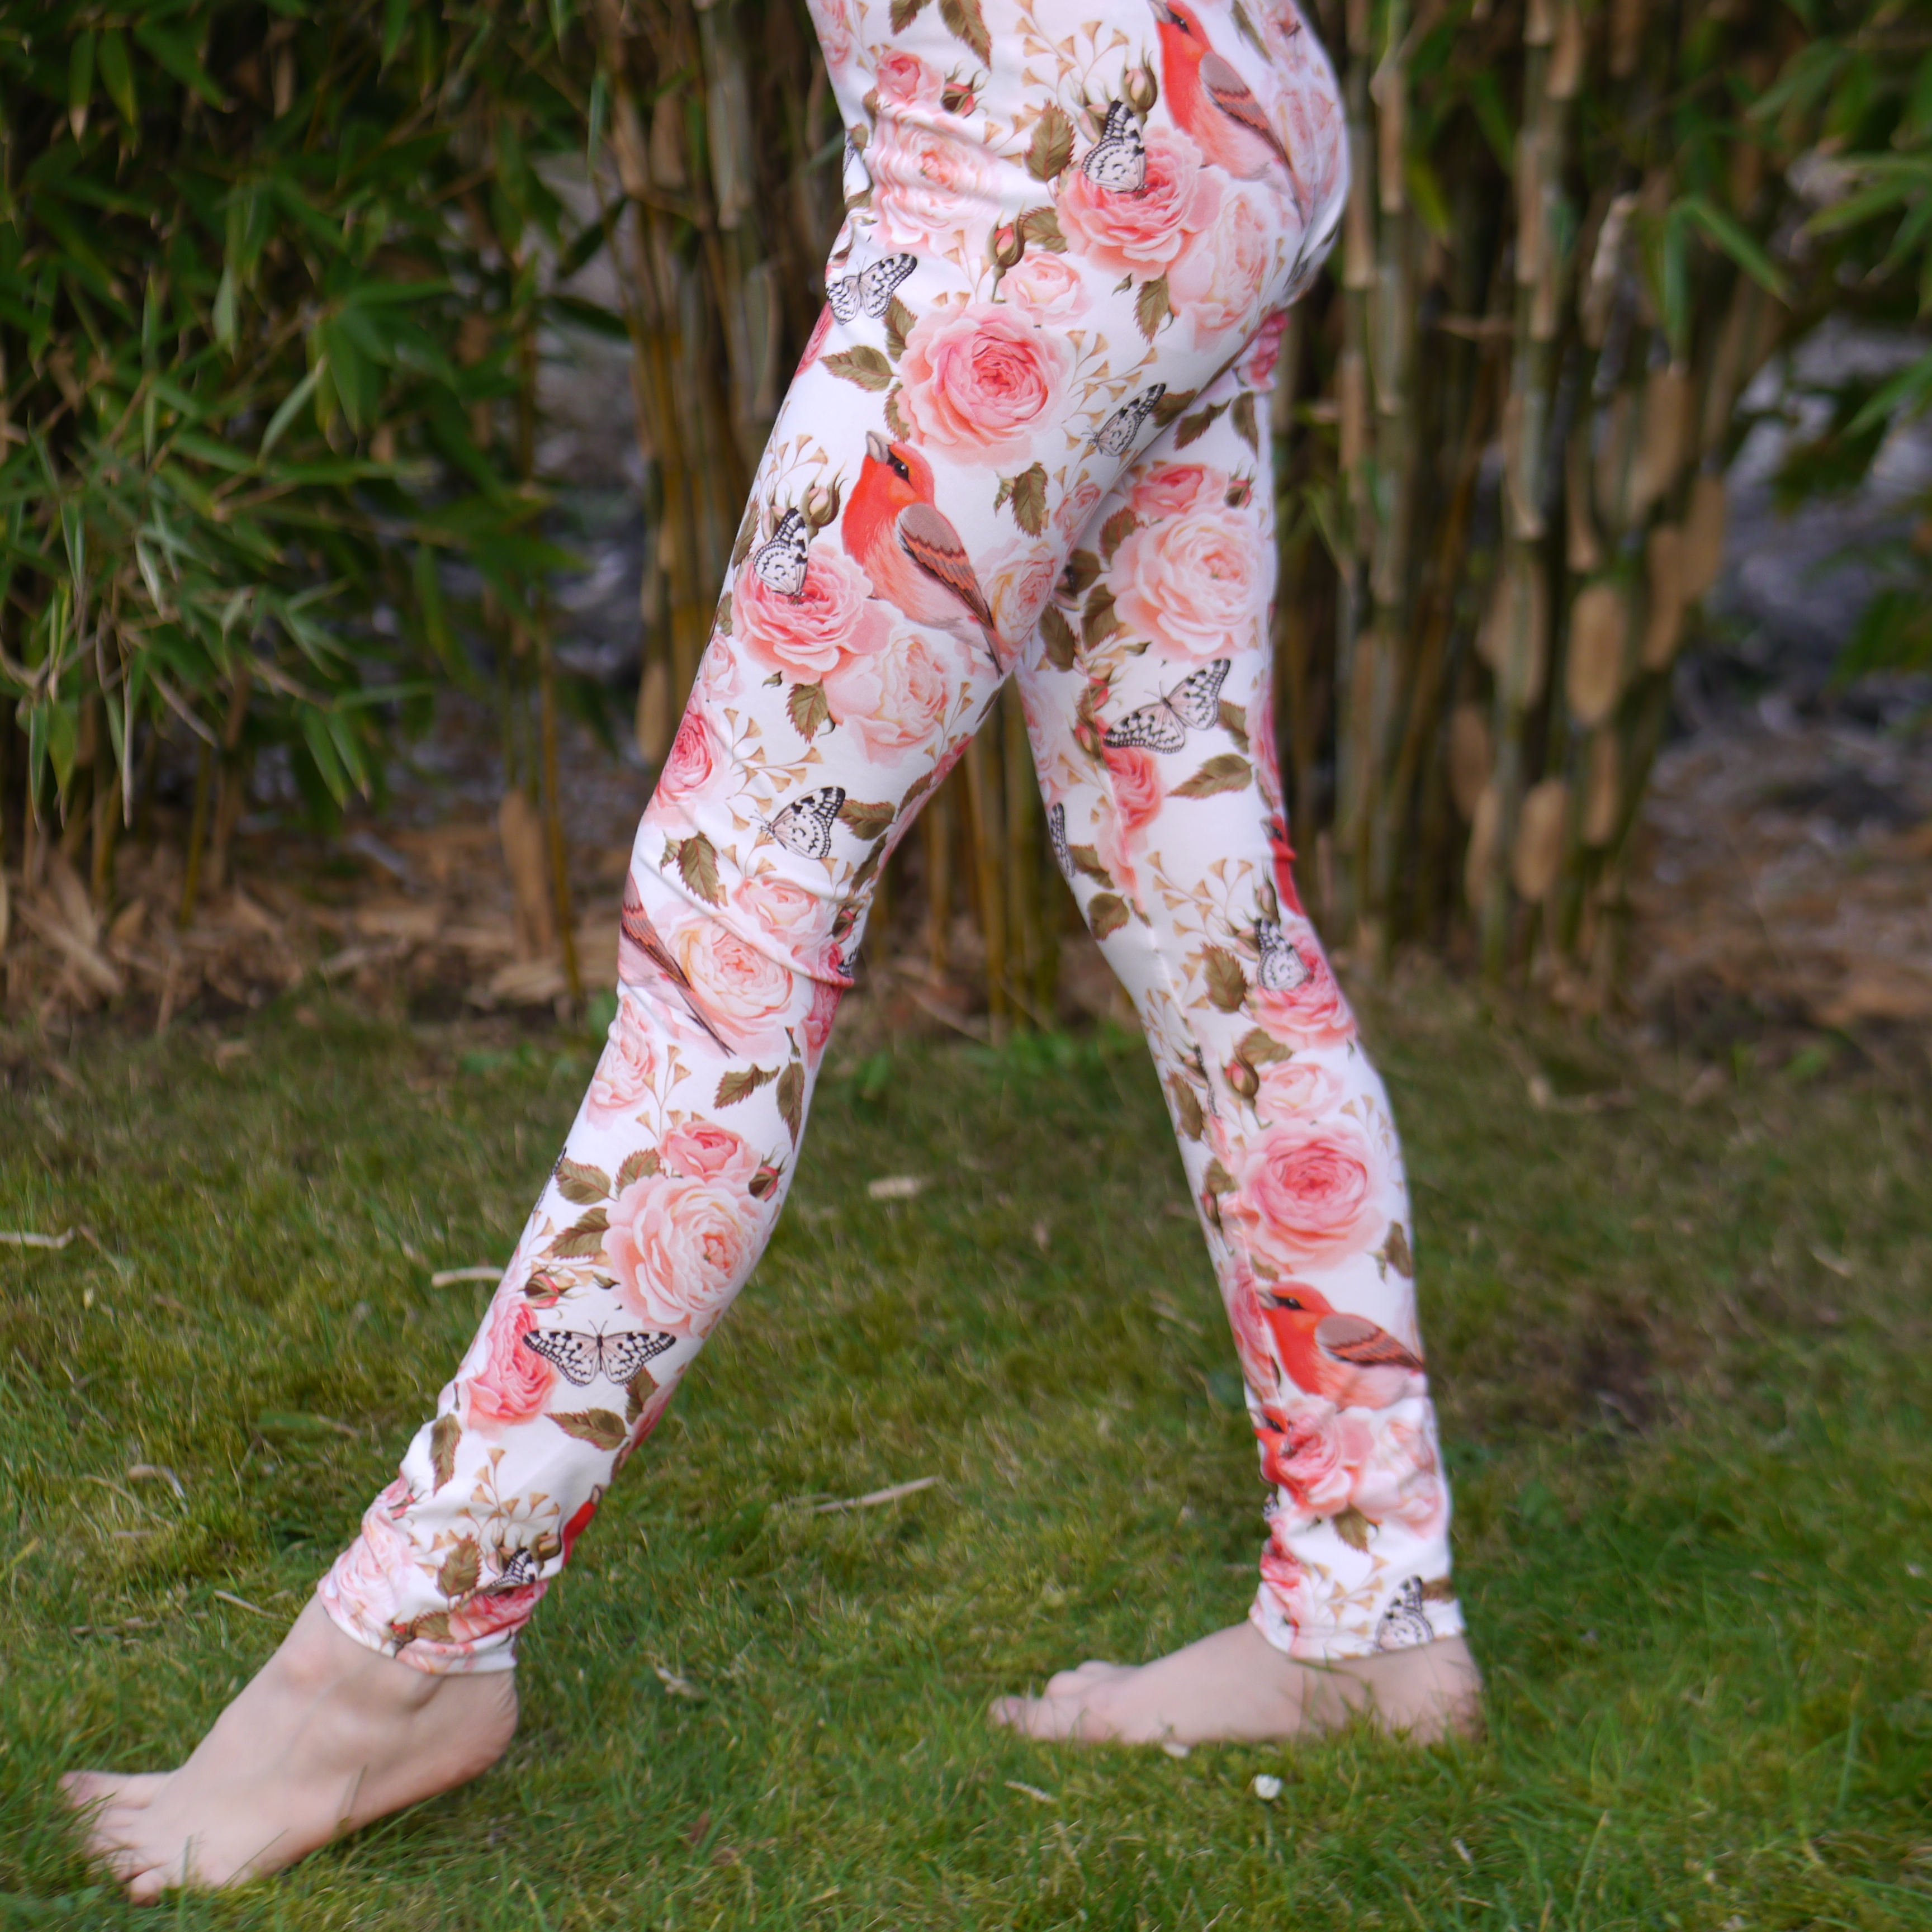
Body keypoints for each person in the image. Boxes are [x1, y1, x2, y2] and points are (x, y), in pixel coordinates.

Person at [65, 0, 1480, 1895]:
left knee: (730, 928)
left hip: (1040, 158)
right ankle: (1372, 1608)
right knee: (1208, 906)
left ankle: (400, 1656)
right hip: (1211, 103)